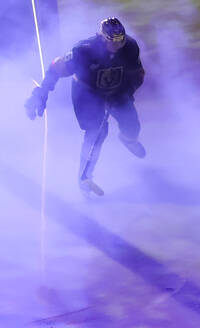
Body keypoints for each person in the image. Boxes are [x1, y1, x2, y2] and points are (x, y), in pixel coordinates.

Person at [24, 18, 147, 197]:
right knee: (97, 132)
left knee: (132, 123)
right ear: (102, 38)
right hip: (87, 93)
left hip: (117, 90)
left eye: (120, 40)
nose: (117, 45)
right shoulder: (84, 51)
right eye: (113, 41)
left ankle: (128, 139)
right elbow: (56, 66)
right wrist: (42, 92)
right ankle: (85, 175)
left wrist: (127, 91)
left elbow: (138, 74)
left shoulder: (129, 47)